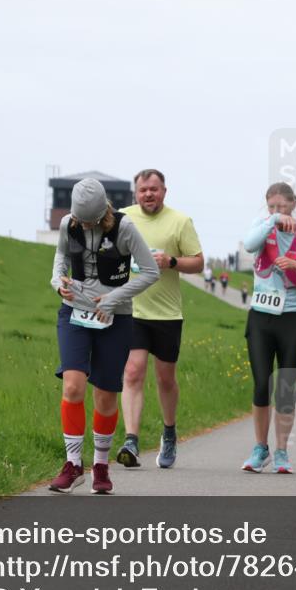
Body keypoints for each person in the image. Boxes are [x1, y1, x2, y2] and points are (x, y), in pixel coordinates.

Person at [48, 178, 160, 494]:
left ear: (102, 212)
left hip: (116, 318)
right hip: (74, 313)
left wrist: (113, 299)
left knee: (106, 394)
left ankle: (100, 465)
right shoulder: (68, 224)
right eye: (79, 220)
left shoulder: (124, 228)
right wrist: (58, 283)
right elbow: (59, 258)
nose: (82, 225)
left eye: (89, 221)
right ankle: (72, 465)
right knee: (72, 385)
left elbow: (150, 271)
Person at [116, 169, 204, 470]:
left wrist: (172, 262)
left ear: (164, 191)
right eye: (143, 190)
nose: (148, 195)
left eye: (154, 189)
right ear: (135, 193)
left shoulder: (180, 222)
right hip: (132, 311)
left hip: (167, 314)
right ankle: (131, 440)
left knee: (165, 379)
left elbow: (199, 262)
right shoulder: (122, 219)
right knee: (132, 371)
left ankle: (169, 432)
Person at [241, 183, 296, 474]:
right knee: (262, 383)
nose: (278, 211)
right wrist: (273, 221)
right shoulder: (263, 225)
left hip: (294, 315)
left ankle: (281, 451)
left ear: (294, 203)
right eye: (271, 206)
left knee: (286, 388)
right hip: (261, 316)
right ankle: (259, 447)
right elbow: (251, 244)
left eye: (282, 206)